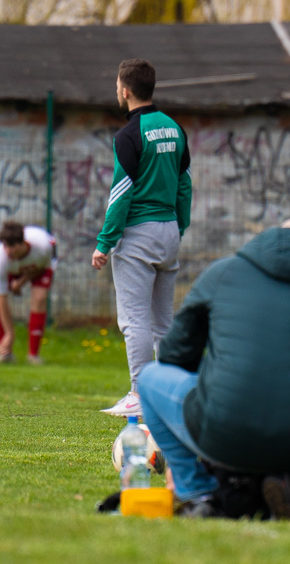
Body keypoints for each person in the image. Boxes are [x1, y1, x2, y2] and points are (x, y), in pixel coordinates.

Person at [137, 218, 290, 517]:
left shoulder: (222, 273)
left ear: (272, 235)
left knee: (149, 379)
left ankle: (197, 492)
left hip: (217, 429)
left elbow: (175, 353)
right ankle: (288, 481)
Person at [93, 58, 193, 416]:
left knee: (134, 320)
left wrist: (105, 242)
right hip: (168, 231)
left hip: (138, 234)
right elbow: (184, 183)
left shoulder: (128, 135)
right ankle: (167, 393)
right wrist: (179, 225)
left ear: (125, 90)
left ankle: (139, 393)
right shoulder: (174, 127)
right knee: (163, 322)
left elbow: (121, 191)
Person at [0, 221, 56, 364]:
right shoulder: (2, 259)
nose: (8, 251)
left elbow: (41, 266)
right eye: (5, 245)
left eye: (12, 246)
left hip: (36, 268)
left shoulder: (43, 246)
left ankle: (33, 355)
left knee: (39, 298)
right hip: (12, 269)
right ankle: (5, 352)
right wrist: (10, 333)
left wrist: (22, 281)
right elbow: (2, 298)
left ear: (23, 243)